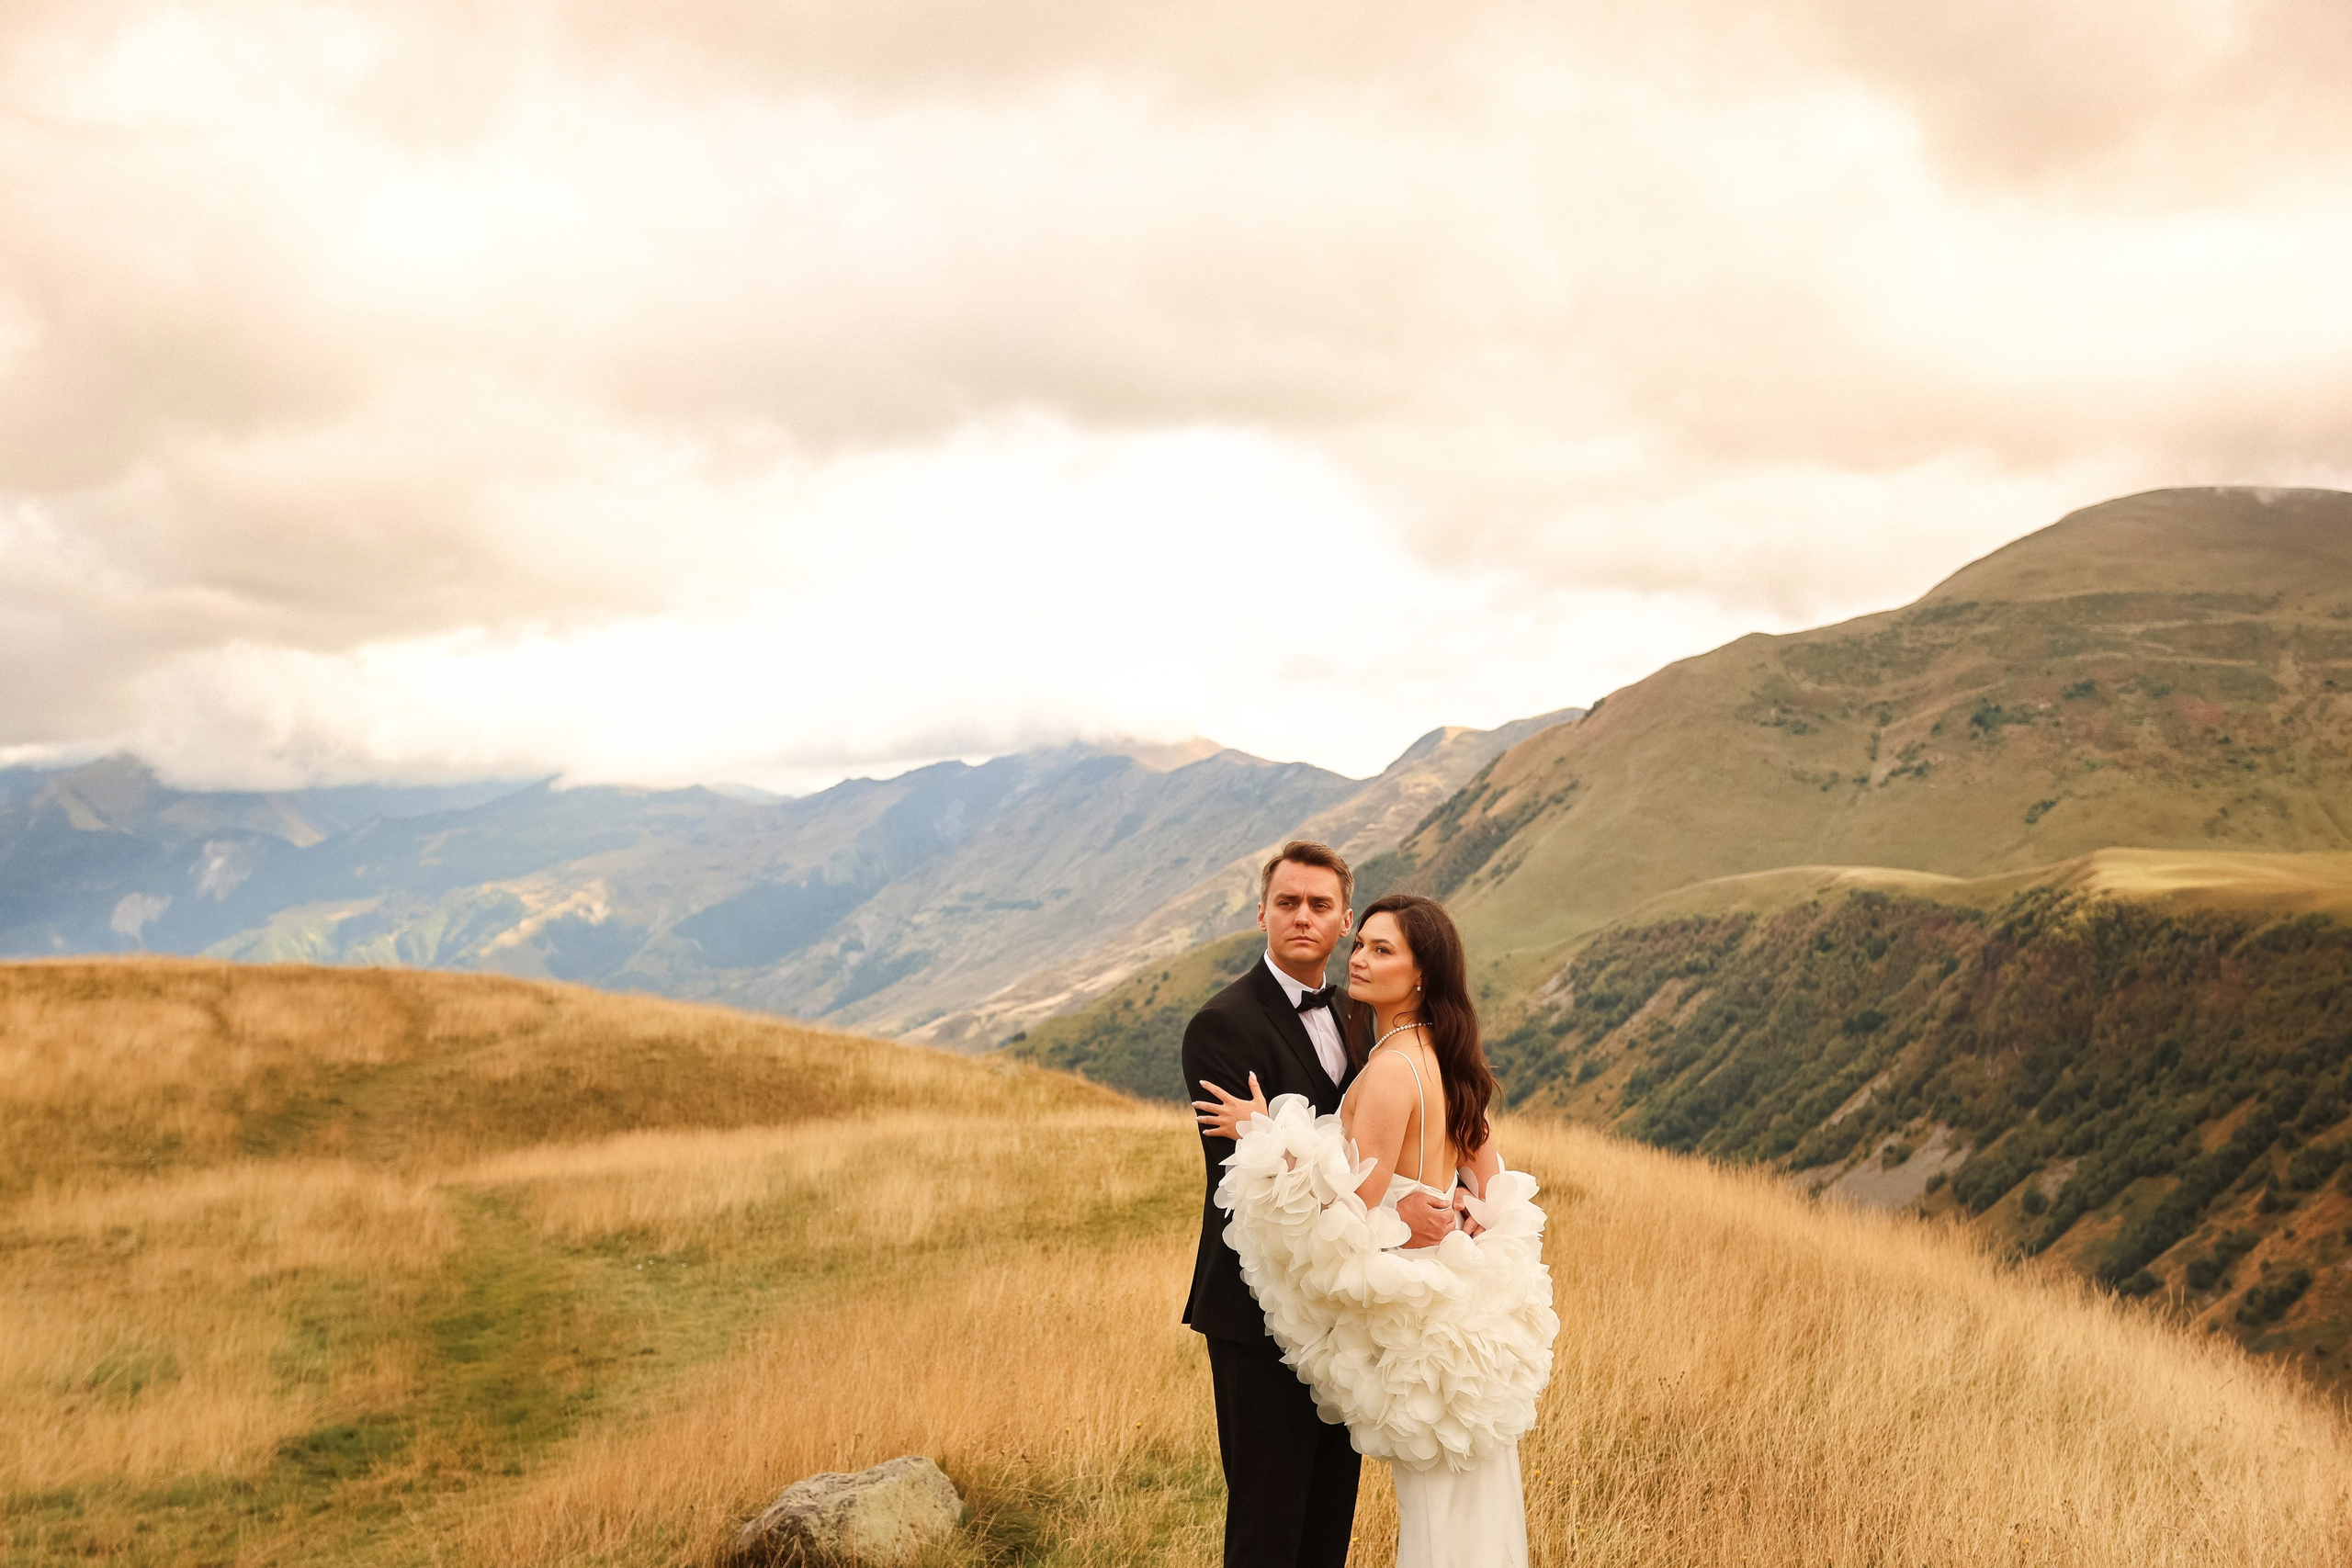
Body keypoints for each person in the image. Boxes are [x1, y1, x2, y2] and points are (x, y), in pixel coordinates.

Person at [1195, 892, 1556, 1568]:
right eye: (1361, 944)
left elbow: (1346, 1218)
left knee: (1440, 1517)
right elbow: (1491, 1178)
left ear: (1421, 974)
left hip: (1415, 1321)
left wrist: (1266, 1136)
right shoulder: (1447, 1056)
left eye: (1381, 949)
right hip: (1454, 1308)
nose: (1358, 957)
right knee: (1466, 1504)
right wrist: (1463, 1211)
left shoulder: (1392, 1069)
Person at [1182, 842, 1461, 1568]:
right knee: (1266, 1527)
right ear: (1261, 913)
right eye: (1287, 902)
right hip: (1260, 1311)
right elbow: (1249, 1194)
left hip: (1347, 1311)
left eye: (1319, 904)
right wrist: (1396, 1222)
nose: (1301, 915)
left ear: (1343, 921)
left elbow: (1381, 1149)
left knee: (1326, 1524)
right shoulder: (1222, 1025)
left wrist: (1425, 1200)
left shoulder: (1358, 1011)